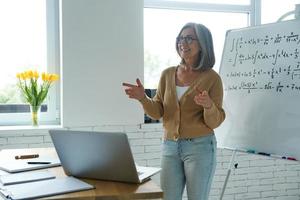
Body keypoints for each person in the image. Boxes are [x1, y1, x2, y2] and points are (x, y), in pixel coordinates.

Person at [122, 22, 225, 200]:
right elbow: (158, 112)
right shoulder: (167, 74)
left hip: (200, 148)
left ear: (202, 44)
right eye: (180, 38)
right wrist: (142, 98)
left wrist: (208, 105)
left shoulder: (212, 78)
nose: (182, 42)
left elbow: (215, 122)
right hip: (170, 146)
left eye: (189, 38)